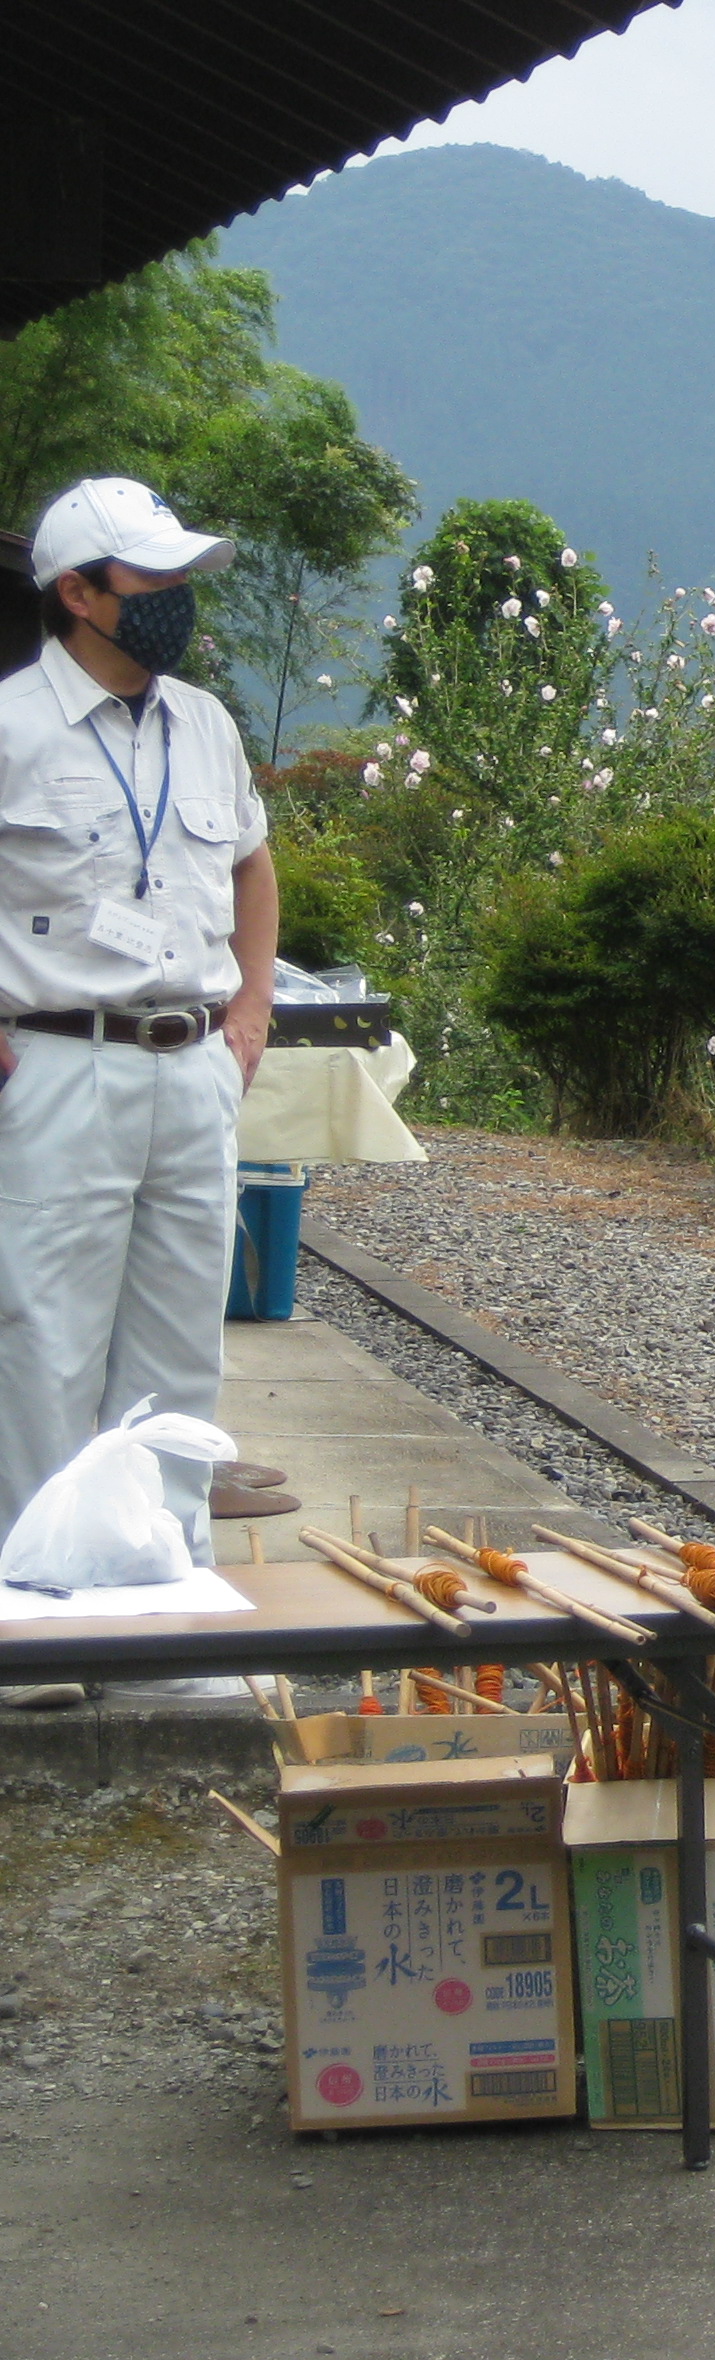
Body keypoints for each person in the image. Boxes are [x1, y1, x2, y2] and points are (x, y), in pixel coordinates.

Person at [0, 477, 276, 1607]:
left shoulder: (203, 723)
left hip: (191, 1062)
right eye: (152, 578)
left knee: (178, 1354)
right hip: (60, 1059)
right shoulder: (12, 725)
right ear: (79, 590)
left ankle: (165, 1606)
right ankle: (40, 1610)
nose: (176, 600)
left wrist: (249, 1015)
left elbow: (252, 866)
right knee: (47, 1346)